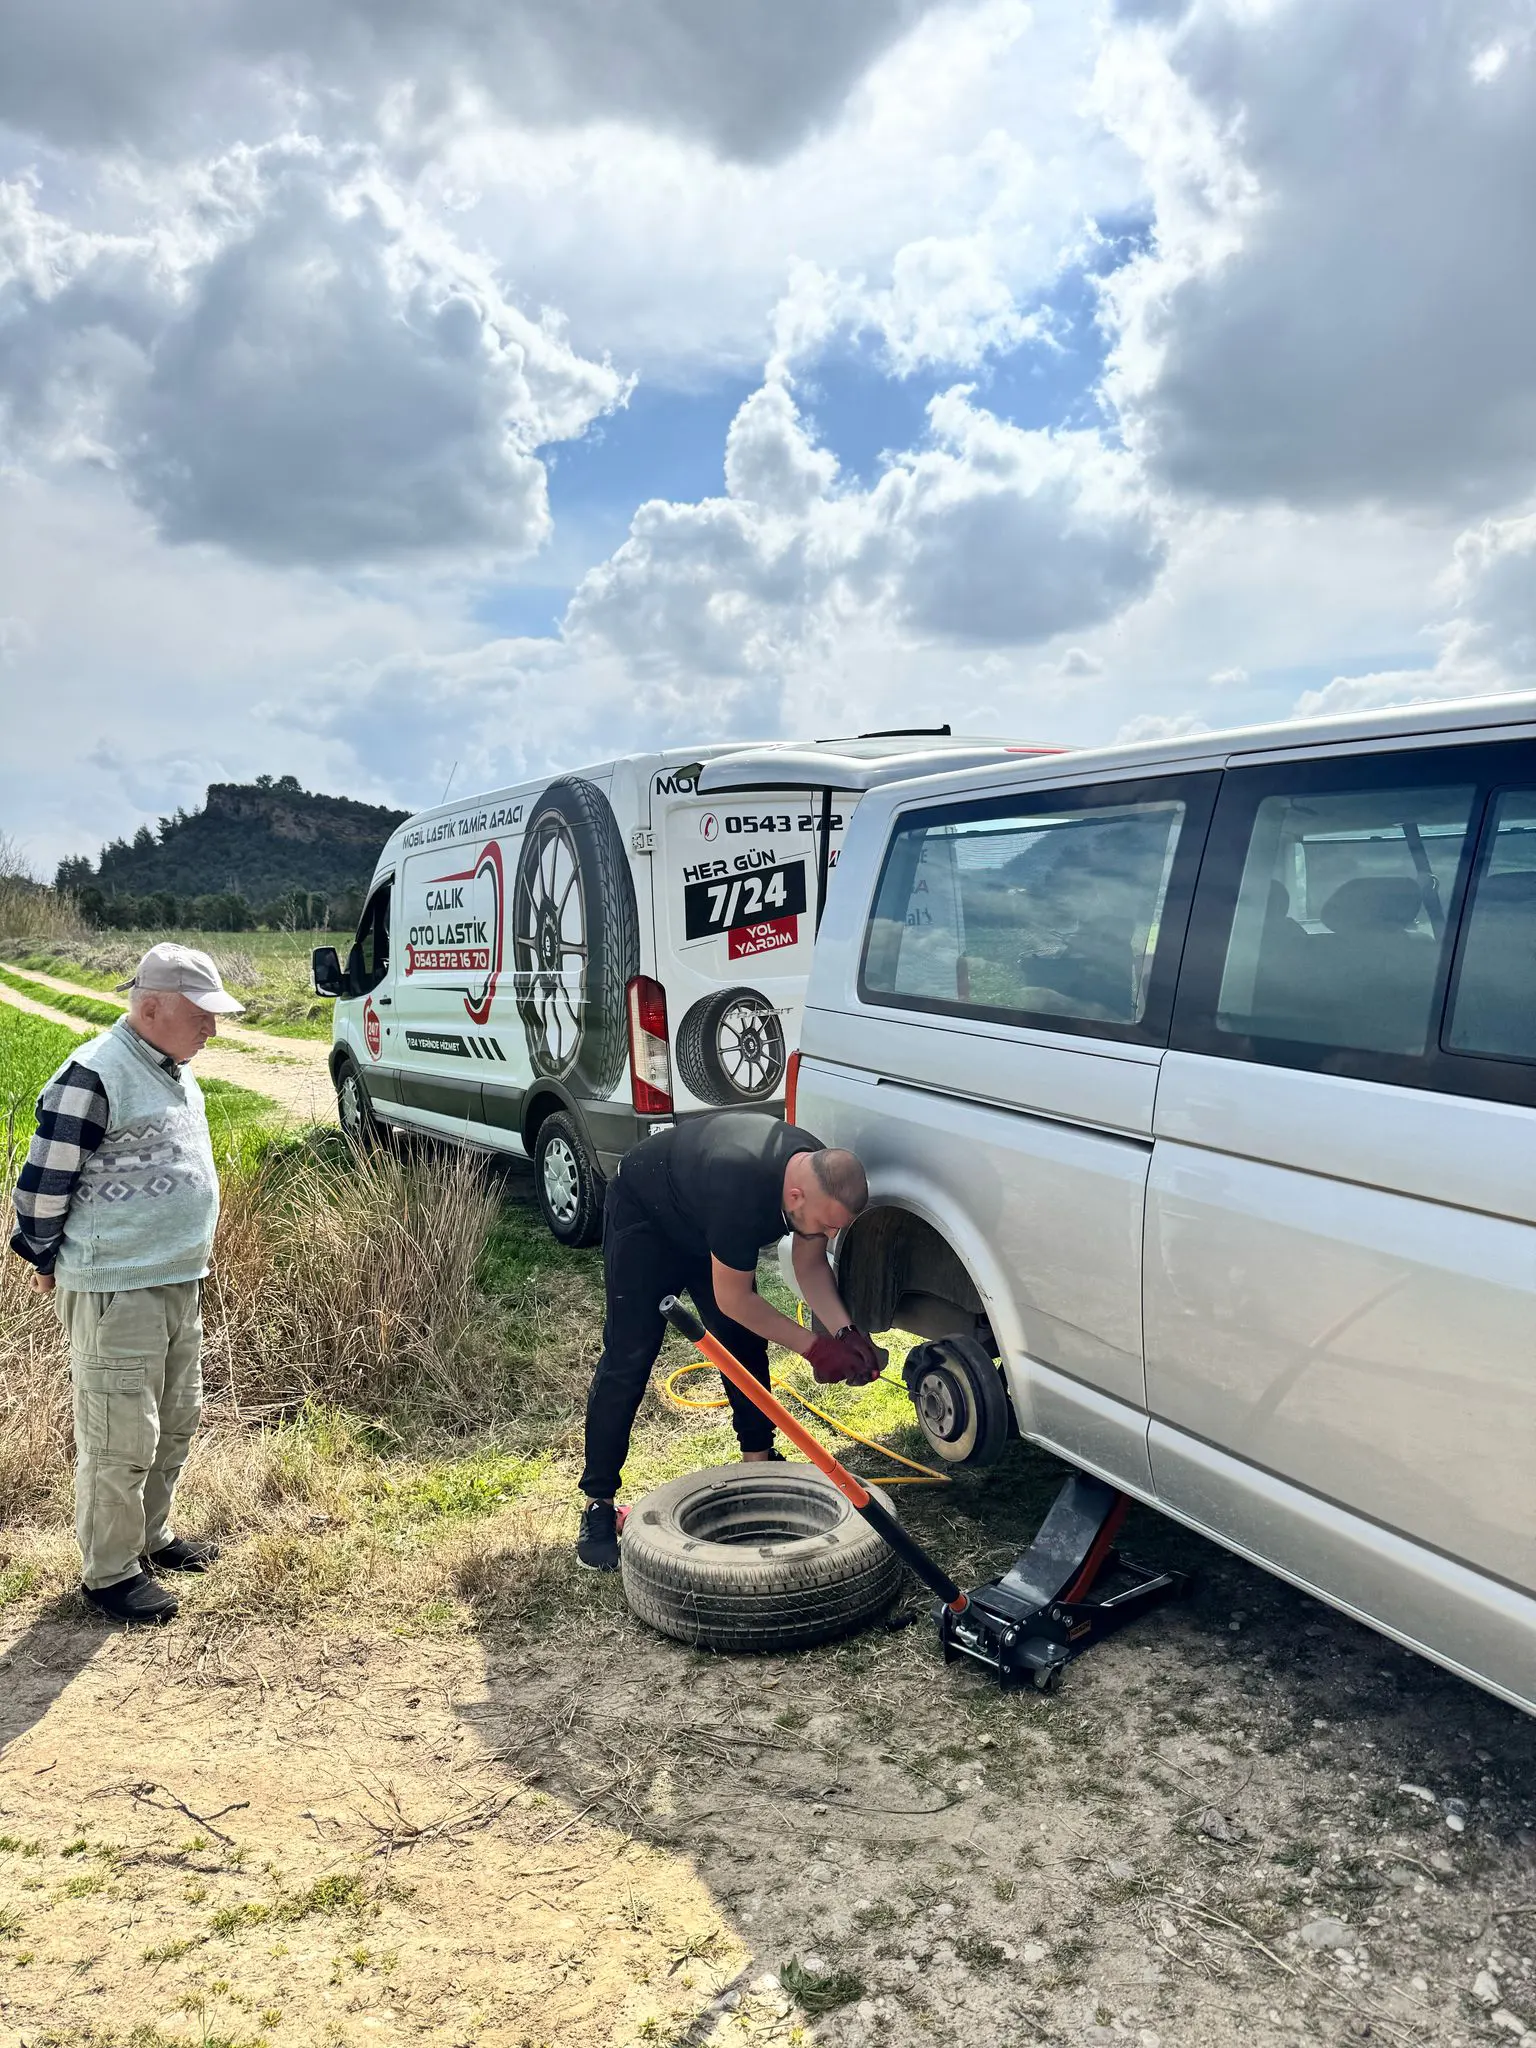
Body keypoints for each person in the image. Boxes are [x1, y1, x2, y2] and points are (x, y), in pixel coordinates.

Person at [8, 943, 244, 1625]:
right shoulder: (94, 1074)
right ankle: (109, 1574)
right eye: (202, 1015)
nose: (213, 1028)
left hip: (176, 1279)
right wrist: (43, 1257)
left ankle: (150, 1538)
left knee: (175, 1419)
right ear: (152, 1007)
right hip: (116, 1286)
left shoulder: (172, 1069)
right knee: (120, 1436)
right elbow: (42, 1186)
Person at [576, 1109, 880, 1571]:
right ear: (795, 1195)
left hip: (705, 1222)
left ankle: (758, 1460)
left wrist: (845, 1331)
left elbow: (810, 1264)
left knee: (743, 1345)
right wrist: (815, 1348)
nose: (831, 1234)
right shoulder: (741, 1187)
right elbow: (734, 1299)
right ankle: (598, 1504)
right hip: (645, 1216)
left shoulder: (816, 1174)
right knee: (629, 1357)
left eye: (836, 1227)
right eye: (827, 1224)